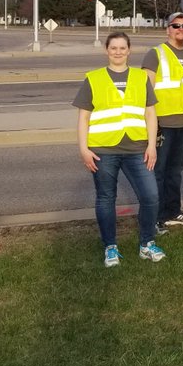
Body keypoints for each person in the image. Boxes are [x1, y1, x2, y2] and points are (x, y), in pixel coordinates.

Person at [74, 31, 164, 267]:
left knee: (151, 196)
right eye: (113, 48)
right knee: (106, 198)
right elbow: (84, 117)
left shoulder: (140, 77)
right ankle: (110, 247)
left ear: (129, 50)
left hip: (136, 148)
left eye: (122, 48)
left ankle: (147, 243)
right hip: (103, 149)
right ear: (107, 50)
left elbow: (150, 113)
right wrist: (83, 149)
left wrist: (152, 146)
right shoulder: (93, 78)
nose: (118, 52)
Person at [142, 11, 183, 231]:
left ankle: (172, 212)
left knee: (175, 171)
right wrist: (151, 126)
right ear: (168, 28)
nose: (181, 30)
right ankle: (155, 218)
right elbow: (146, 93)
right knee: (157, 172)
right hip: (162, 123)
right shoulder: (155, 54)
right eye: (176, 26)